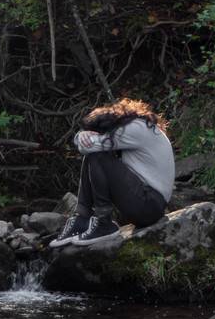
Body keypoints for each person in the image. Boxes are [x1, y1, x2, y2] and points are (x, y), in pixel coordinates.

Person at [49, 97, 174, 249]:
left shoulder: (136, 129)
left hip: (150, 205)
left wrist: (82, 137)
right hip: (147, 202)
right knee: (94, 155)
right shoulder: (139, 125)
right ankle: (81, 218)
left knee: (98, 156)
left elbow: (86, 147)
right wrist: (82, 134)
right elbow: (88, 145)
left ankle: (104, 222)